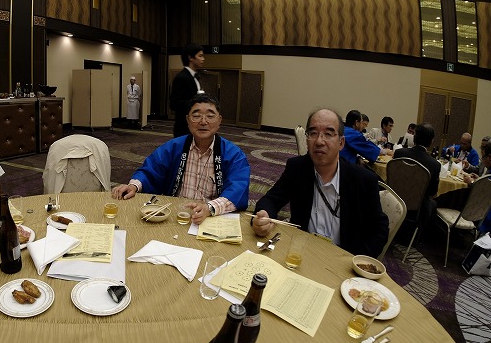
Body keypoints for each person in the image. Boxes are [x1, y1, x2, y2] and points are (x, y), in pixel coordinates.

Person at [251, 108, 388, 257]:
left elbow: (379, 230)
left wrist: (354, 260)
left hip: (343, 259)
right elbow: (270, 200)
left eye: (328, 134)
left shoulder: (363, 180)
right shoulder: (297, 168)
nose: (319, 141)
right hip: (301, 253)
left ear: (341, 143)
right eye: (313, 133)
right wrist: (263, 217)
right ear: (307, 140)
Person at [111, 94, 250, 225]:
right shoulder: (174, 147)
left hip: (211, 218)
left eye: (210, 116)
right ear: (188, 121)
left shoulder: (233, 155)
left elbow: (238, 188)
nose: (203, 122)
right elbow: (151, 170)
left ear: (219, 121)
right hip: (175, 215)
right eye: (196, 116)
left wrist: (210, 208)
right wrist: (133, 186)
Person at [393, 123, 441, 221]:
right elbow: (432, 192)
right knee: (433, 204)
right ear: (431, 141)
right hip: (418, 208)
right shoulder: (434, 164)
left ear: (414, 137)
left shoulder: (399, 153)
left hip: (395, 199)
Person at [169, 43, 205, 138]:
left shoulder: (195, 77)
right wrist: (196, 102)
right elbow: (174, 103)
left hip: (194, 125)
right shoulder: (182, 77)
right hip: (184, 127)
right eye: (200, 56)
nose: (203, 59)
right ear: (190, 58)